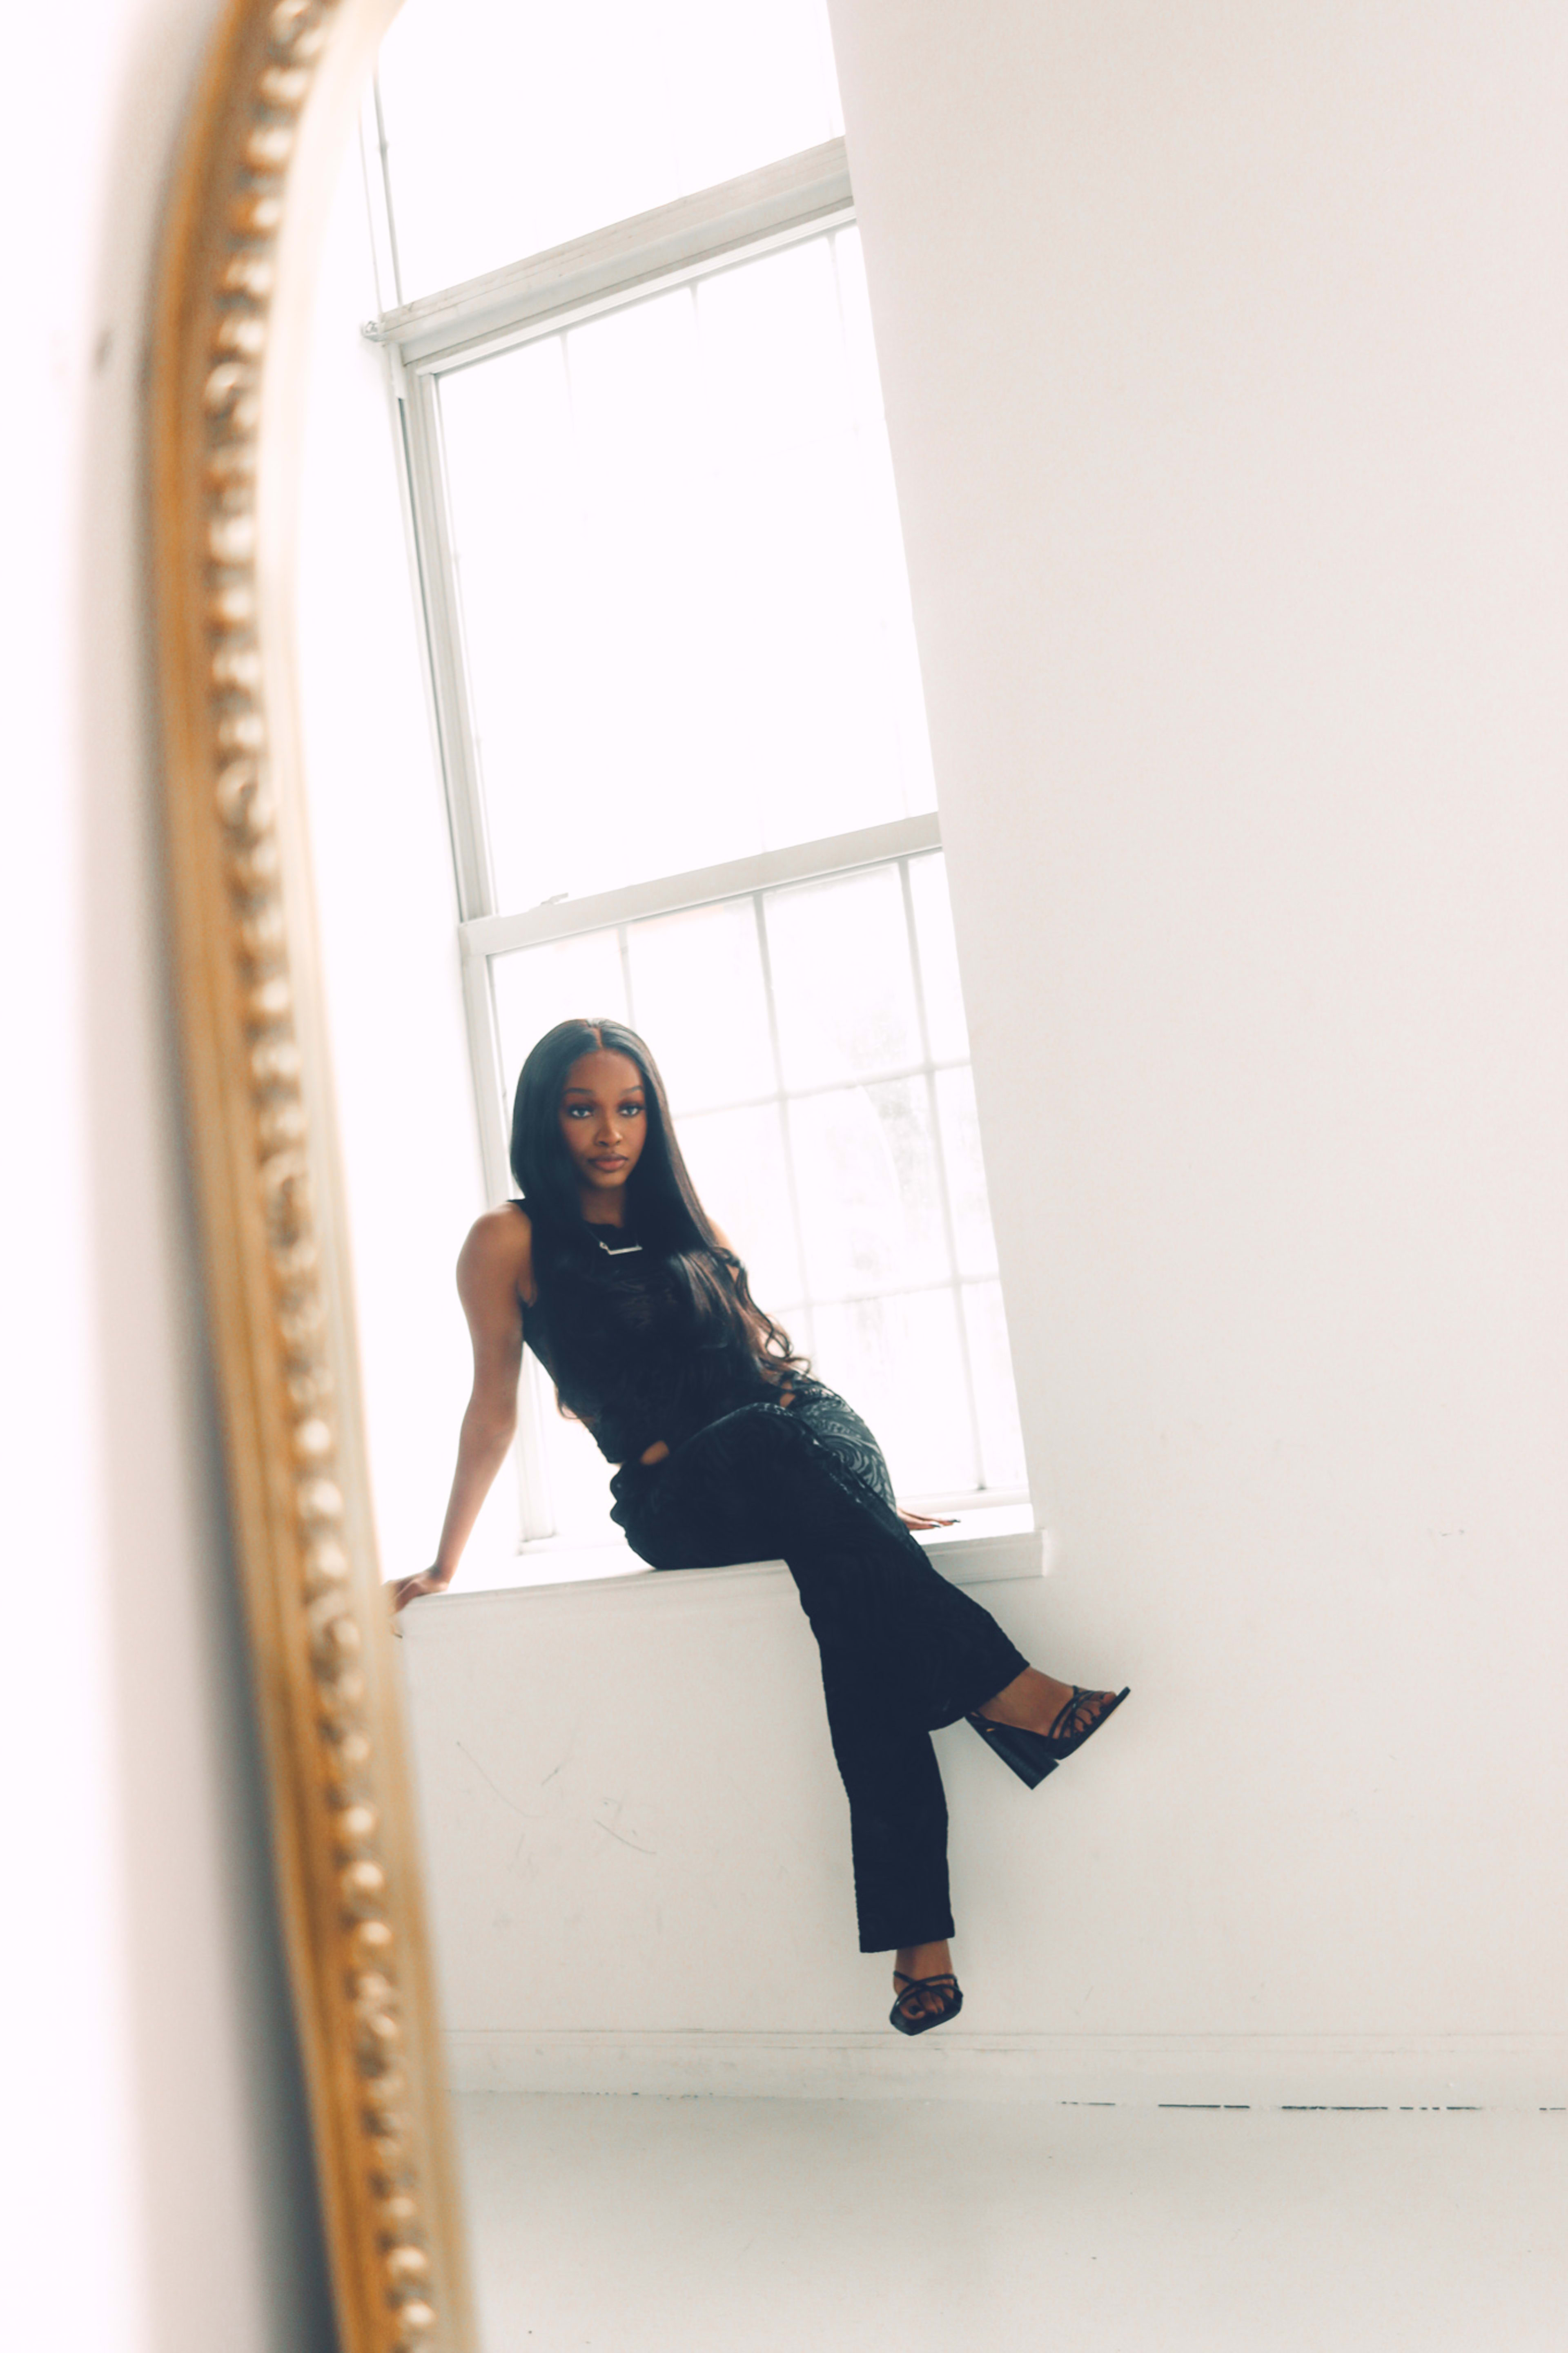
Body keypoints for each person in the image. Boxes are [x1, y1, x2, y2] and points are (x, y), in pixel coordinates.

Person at [390, 1017, 1129, 2035]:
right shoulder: (508, 1241)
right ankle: (1008, 1690)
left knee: (856, 1621)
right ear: (544, 1119)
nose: (611, 1131)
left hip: (797, 1444)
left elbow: (772, 1372)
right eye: (583, 1108)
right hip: (682, 1496)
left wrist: (858, 1494)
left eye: (630, 1106)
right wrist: (443, 1561)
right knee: (791, 1470)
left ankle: (925, 1944)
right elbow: (492, 1407)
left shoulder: (694, 1225)